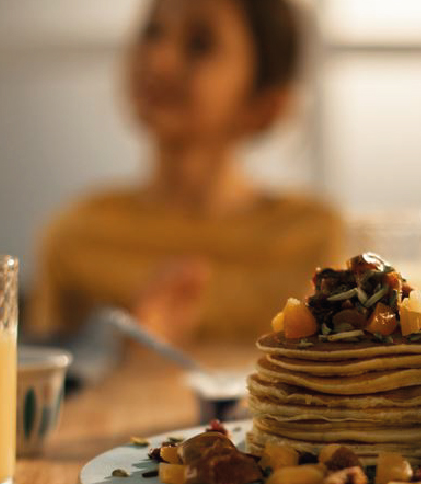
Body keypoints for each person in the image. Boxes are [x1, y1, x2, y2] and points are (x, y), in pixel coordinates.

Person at [27, 0, 344, 345]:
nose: (159, 59)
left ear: (266, 104)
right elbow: (47, 387)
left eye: (200, 44)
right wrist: (132, 365)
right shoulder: (76, 235)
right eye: (152, 31)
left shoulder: (311, 238)